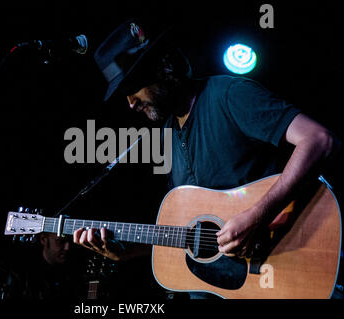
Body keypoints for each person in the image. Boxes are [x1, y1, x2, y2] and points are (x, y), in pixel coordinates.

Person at [72, 18, 342, 295]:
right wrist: (127, 252)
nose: (130, 103)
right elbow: (191, 234)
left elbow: (319, 140)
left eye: (132, 88)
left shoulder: (229, 95)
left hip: (285, 266)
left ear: (162, 69)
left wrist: (259, 215)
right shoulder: (167, 134)